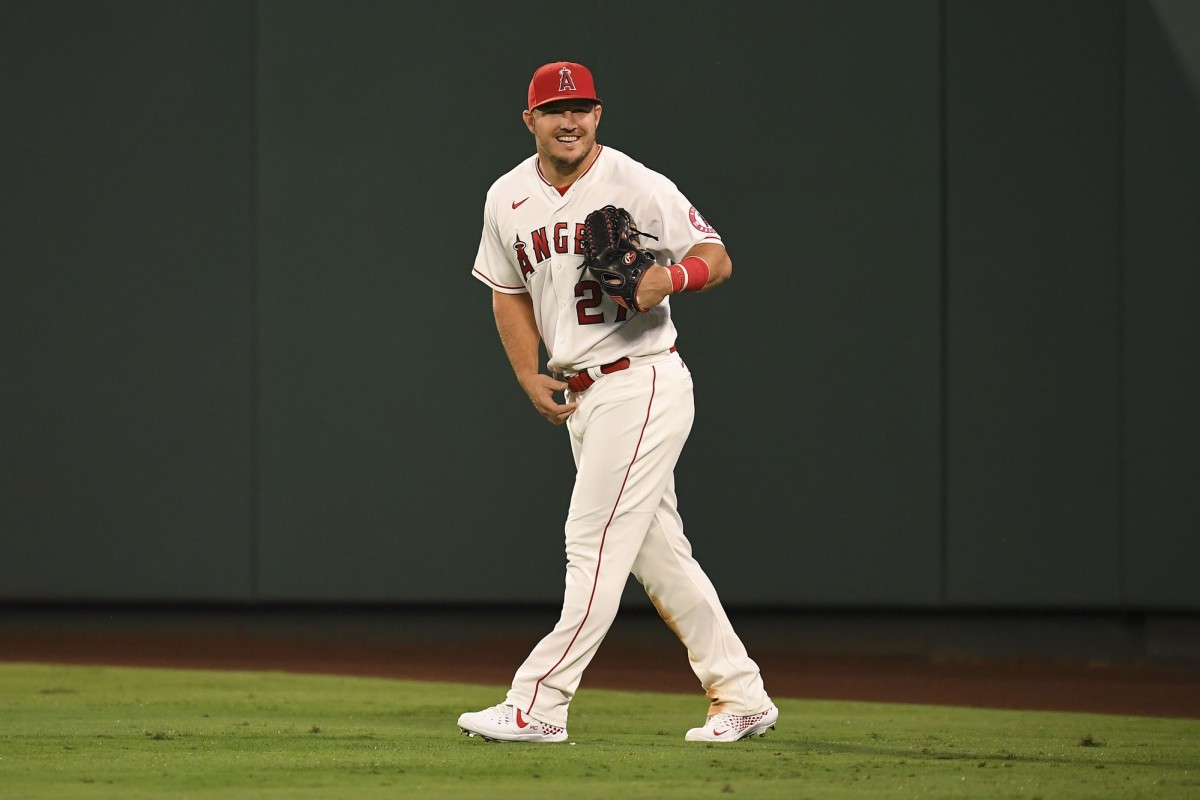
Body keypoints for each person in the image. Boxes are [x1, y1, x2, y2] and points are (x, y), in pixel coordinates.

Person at [458, 60, 777, 744]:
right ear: (530, 120)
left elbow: (715, 257)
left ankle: (539, 703)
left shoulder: (635, 182)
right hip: (582, 392)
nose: (569, 120)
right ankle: (741, 693)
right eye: (554, 110)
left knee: (592, 542)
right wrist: (526, 373)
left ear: (598, 114)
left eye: (582, 108)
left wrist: (670, 275)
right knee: (659, 556)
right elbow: (507, 289)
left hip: (642, 380)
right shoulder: (506, 195)